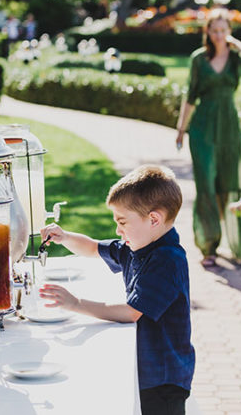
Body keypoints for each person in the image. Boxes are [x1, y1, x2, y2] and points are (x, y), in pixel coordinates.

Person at [38, 165, 195, 415]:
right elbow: (93, 248)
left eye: (122, 222)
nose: (117, 231)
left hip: (162, 378)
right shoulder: (137, 246)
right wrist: (64, 237)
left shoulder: (167, 260)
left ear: (154, 220)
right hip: (148, 371)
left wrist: (76, 303)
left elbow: (131, 312)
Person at [175, 8, 241, 266]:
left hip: (228, 128)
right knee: (206, 185)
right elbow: (191, 95)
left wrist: (234, 43)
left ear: (229, 31)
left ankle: (237, 242)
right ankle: (209, 246)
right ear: (207, 32)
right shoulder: (199, 59)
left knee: (230, 183)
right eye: (214, 30)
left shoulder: (236, 58)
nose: (218, 35)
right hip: (202, 128)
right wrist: (181, 129)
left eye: (223, 30)